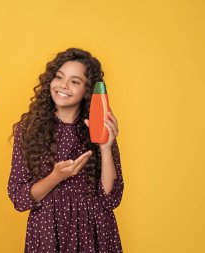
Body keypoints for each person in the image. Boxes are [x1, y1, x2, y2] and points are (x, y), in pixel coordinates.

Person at [7, 48, 124, 252]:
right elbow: (19, 199)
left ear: (87, 90)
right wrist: (56, 176)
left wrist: (105, 147)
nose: (63, 85)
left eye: (75, 81)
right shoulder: (29, 130)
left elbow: (111, 199)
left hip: (94, 230)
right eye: (59, 77)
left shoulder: (98, 127)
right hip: (47, 231)